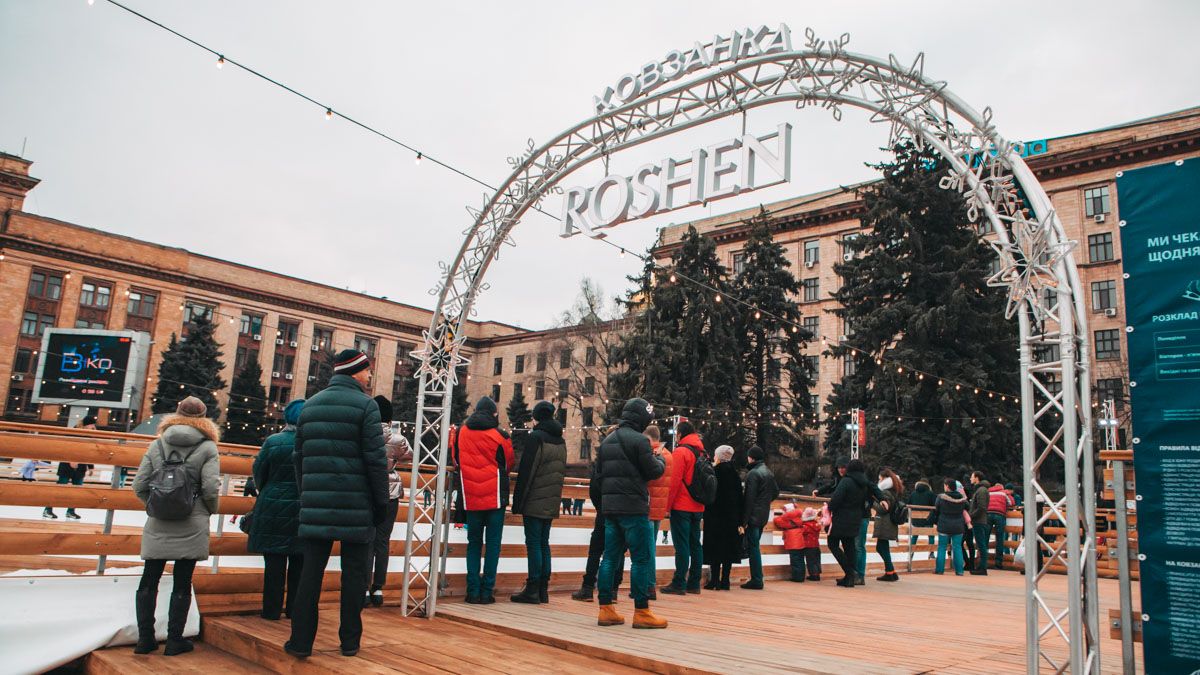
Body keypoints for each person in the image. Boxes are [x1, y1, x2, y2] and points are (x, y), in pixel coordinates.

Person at [285, 349, 388, 659]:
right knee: (355, 575)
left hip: (315, 505)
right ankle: (349, 641)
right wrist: (380, 503)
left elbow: (298, 457)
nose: (370, 376)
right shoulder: (366, 406)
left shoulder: (310, 406)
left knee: (309, 576)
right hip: (357, 506)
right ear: (355, 372)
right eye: (367, 370)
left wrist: (307, 495)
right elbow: (375, 460)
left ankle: (301, 641)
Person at [131, 397, 220, 655]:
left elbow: (139, 484)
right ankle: (174, 640)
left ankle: (145, 639)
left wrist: (155, 505)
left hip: (159, 520)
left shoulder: (157, 444)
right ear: (204, 417)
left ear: (176, 413)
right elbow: (211, 488)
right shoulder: (207, 447)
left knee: (149, 578)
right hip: (192, 519)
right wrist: (207, 510)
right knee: (183, 581)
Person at [595, 398, 667, 629]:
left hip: (611, 509)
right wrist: (660, 459)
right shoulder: (640, 441)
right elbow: (653, 471)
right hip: (634, 508)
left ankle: (606, 609)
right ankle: (642, 611)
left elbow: (599, 475)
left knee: (609, 558)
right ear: (641, 418)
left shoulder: (607, 441)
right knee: (641, 559)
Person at [451, 396, 515, 605]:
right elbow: (508, 463)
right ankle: (487, 591)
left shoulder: (461, 433)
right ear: (493, 414)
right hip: (495, 497)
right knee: (493, 544)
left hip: (471, 497)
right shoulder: (500, 435)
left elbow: (456, 460)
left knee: (474, 544)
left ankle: (472, 591)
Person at [248, 399, 305, 621]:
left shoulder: (273, 442)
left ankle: (271, 610)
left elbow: (259, 473)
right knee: (300, 561)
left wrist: (268, 490)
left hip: (272, 505)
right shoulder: (311, 444)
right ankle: (294, 609)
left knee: (274, 562)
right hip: (303, 508)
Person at [510, 401, 567, 604]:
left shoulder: (536, 438)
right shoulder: (561, 440)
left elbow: (527, 470)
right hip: (551, 499)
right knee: (544, 543)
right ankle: (543, 589)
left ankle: (533, 588)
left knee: (534, 543)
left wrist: (518, 501)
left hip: (534, 498)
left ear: (537, 417)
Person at [365, 396, 413, 607]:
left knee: (366, 540)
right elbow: (409, 455)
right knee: (382, 541)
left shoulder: (365, 435)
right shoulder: (398, 439)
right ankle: (378, 588)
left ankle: (363, 587)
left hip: (367, 491)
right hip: (390, 491)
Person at [661, 421, 705, 595]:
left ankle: (679, 582)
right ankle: (694, 583)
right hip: (698, 505)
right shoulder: (702, 452)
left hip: (682, 505)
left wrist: (667, 506)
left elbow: (674, 482)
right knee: (696, 544)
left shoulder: (681, 452)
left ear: (679, 435)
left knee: (682, 546)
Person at [702, 445, 742, 591]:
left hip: (715, 516)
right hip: (731, 518)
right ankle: (725, 580)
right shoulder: (735, 475)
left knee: (715, 548)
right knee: (727, 549)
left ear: (718, 456)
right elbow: (739, 497)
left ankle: (714, 580)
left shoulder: (715, 472)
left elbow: (710, 493)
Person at [827, 458, 871, 588]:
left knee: (832, 543)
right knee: (849, 546)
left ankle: (849, 572)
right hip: (855, 518)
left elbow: (836, 499)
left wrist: (829, 508)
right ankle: (850, 577)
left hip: (841, 518)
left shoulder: (846, 481)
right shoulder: (863, 483)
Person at [740, 445, 779, 590]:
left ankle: (757, 578)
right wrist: (764, 502)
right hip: (763, 515)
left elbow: (748, 499)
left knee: (753, 547)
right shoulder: (768, 472)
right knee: (754, 546)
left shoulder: (753, 474)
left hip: (753, 516)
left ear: (751, 457)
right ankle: (756, 578)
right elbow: (775, 492)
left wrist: (743, 521)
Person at [43, 415, 97, 519]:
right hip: (66, 466)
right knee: (60, 489)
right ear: (86, 425)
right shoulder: (73, 432)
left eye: (93, 425)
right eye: (91, 425)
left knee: (76, 492)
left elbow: (88, 452)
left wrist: (91, 466)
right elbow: (65, 448)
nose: (93, 427)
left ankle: (71, 511)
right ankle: (48, 510)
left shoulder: (90, 435)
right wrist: (70, 460)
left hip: (80, 467)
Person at [644, 424, 672, 599]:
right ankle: (649, 585)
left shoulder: (650, 454)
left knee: (646, 550)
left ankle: (648, 585)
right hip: (660, 507)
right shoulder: (669, 455)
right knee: (650, 547)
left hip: (647, 506)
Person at [932, 477, 970, 576]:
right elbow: (967, 507)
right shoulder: (962, 498)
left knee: (942, 547)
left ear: (947, 487)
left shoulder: (941, 497)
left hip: (944, 525)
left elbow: (937, 509)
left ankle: (939, 570)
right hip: (958, 526)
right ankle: (959, 571)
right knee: (957, 547)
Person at [874, 468, 904, 582]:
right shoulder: (893, 490)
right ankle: (891, 572)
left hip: (885, 523)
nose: (879, 481)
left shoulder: (886, 492)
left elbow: (883, 508)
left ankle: (890, 572)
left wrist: (872, 503)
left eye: (880, 479)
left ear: (885, 479)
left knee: (881, 548)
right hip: (889, 523)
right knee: (883, 547)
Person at [773, 504, 807, 582]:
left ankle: (797, 577)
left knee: (795, 560)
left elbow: (776, 520)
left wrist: (784, 516)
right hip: (800, 541)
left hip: (793, 543)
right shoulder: (799, 518)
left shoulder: (787, 521)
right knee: (800, 560)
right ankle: (801, 576)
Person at [986, 480, 1015, 571]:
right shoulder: (1004, 493)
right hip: (1000, 515)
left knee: (985, 537)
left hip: (988, 514)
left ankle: (984, 561)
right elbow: (1011, 503)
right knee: (999, 538)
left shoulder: (988, 492)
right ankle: (998, 563)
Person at [968, 471, 991, 575]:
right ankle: (981, 567)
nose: (970, 479)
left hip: (979, 521)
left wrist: (971, 515)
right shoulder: (981, 489)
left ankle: (982, 568)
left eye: (972, 477)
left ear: (977, 478)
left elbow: (982, 507)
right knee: (981, 544)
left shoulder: (981, 490)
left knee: (981, 544)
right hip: (979, 520)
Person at [907, 479, 937, 549]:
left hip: (916, 520)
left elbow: (908, 504)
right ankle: (931, 552)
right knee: (931, 535)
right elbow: (935, 506)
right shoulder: (931, 494)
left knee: (914, 535)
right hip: (928, 520)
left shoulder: (913, 494)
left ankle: (911, 552)